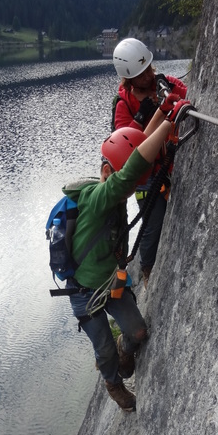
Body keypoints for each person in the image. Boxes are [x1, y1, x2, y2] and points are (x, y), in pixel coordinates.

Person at [64, 111, 184, 411]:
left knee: (138, 333)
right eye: (124, 184)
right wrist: (170, 123)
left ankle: (124, 347)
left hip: (110, 283)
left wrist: (165, 112)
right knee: (104, 351)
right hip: (85, 294)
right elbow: (129, 172)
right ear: (106, 171)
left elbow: (135, 149)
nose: (130, 192)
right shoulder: (98, 198)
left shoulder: (111, 193)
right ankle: (113, 383)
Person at [112, 37, 188, 286]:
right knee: (152, 224)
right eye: (140, 73)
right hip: (146, 177)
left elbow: (187, 95)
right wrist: (143, 115)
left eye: (148, 69)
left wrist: (173, 94)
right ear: (128, 77)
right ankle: (147, 270)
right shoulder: (124, 104)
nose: (147, 76)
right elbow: (127, 150)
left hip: (169, 166)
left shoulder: (162, 84)